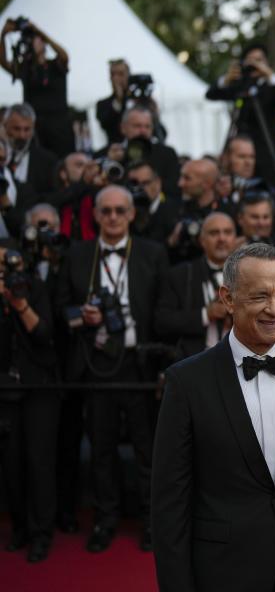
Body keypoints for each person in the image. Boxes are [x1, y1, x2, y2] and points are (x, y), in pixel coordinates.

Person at [152, 242, 275, 591]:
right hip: (223, 570)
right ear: (228, 298)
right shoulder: (186, 380)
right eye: (259, 297)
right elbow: (169, 502)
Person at [55, 185, 168, 553]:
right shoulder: (78, 254)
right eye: (107, 211)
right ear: (96, 215)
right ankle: (105, 520)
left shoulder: (152, 253)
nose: (114, 217)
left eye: (121, 210)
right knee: (101, 448)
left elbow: (162, 313)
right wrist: (81, 318)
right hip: (95, 363)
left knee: (146, 449)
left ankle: (152, 523)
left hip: (140, 364)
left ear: (132, 214)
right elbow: (61, 311)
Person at [0, 239, 59, 562]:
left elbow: (44, 335)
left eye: (10, 263)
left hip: (40, 388)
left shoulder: (35, 288)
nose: (7, 271)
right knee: (12, 463)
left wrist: (20, 304)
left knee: (39, 462)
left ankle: (41, 533)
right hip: (5, 391)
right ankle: (20, 527)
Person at [206, 43, 275, 196]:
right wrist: (226, 79)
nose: (254, 65)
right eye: (250, 61)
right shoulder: (240, 86)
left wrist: (269, 75)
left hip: (268, 147)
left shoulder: (271, 86)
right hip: (242, 146)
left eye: (259, 60)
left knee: (274, 190)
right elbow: (211, 94)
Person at [154, 213, 238, 360]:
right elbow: (162, 321)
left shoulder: (251, 276)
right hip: (196, 362)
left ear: (235, 239)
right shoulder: (180, 275)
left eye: (227, 232)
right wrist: (206, 314)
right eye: (214, 233)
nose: (221, 238)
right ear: (202, 240)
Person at [0, 18, 73, 157]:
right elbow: (3, 62)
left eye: (36, 39)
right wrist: (3, 34)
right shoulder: (26, 69)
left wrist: (39, 31)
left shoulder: (55, 66)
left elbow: (64, 55)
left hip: (59, 127)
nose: (32, 42)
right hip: (36, 127)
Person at [3, 103, 57, 201]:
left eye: (27, 129)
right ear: (5, 126)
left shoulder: (48, 162)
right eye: (16, 129)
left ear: (33, 129)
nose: (22, 136)